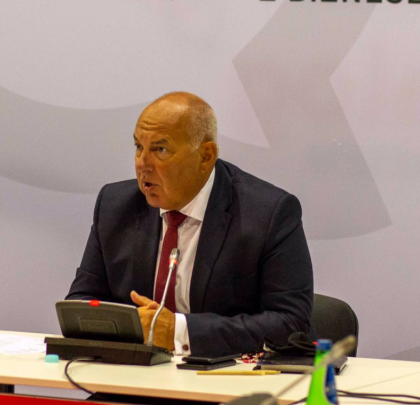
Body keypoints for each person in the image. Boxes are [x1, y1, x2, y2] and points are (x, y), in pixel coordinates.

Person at [67, 92, 314, 357]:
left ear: (205, 156)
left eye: (160, 150)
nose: (143, 164)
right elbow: (80, 305)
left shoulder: (268, 213)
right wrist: (129, 327)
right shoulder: (115, 206)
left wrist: (178, 331)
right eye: (139, 147)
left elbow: (290, 324)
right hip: (135, 373)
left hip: (224, 377)